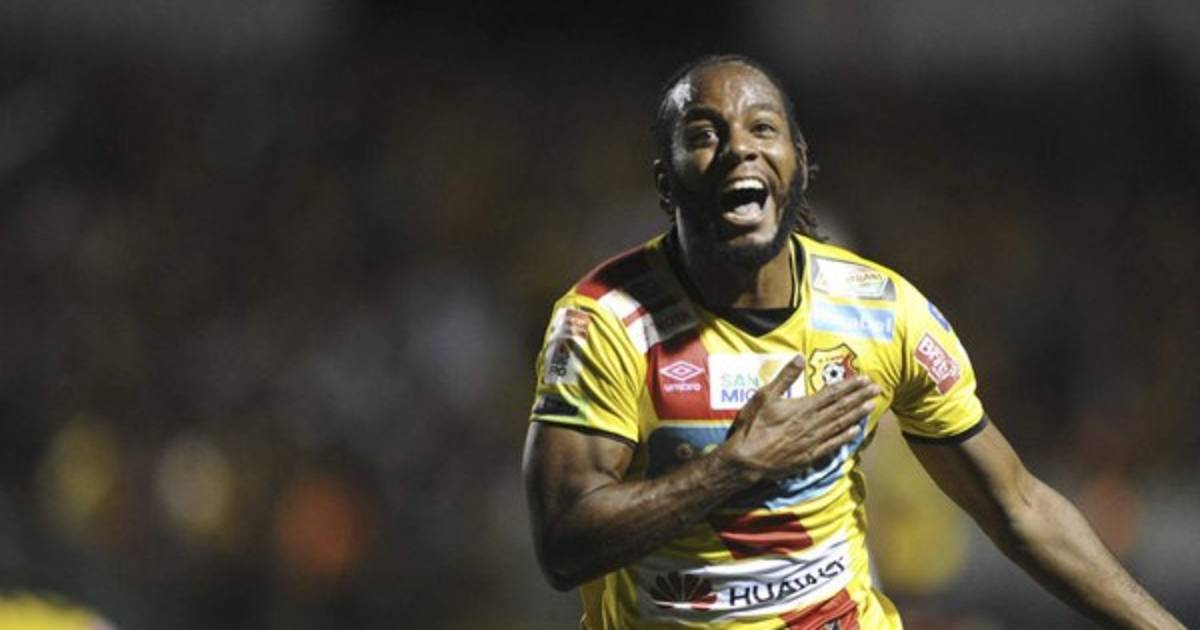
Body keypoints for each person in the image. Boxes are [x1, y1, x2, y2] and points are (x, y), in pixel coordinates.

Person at [522, 54, 1183, 629]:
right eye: (703, 134)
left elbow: (1020, 506)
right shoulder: (605, 321)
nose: (738, 147)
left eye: (762, 128)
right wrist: (734, 467)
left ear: (800, 162)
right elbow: (563, 544)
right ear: (666, 180)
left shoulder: (879, 311)